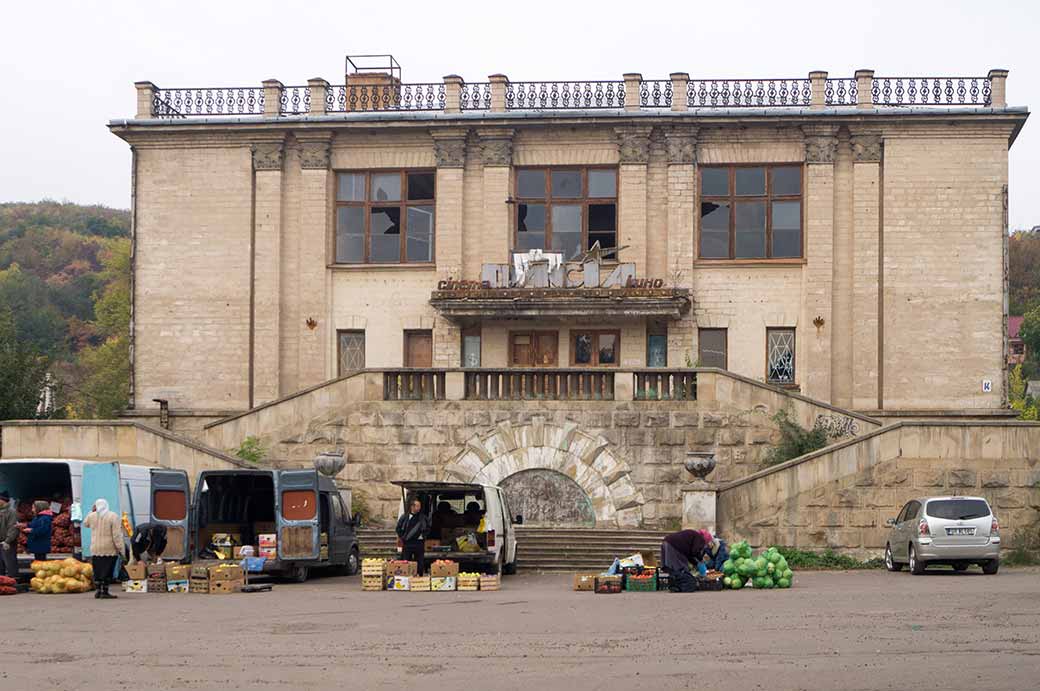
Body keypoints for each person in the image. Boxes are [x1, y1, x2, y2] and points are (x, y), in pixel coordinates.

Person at [81, 499, 126, 599]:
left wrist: (91, 511)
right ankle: (104, 591)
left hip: (95, 548)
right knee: (107, 570)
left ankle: (98, 591)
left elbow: (85, 523)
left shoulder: (92, 516)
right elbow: (116, 535)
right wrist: (121, 549)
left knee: (98, 570)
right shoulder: (113, 516)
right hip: (109, 549)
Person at [396, 497, 429, 576]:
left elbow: (428, 528)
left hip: (419, 543)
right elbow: (398, 528)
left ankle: (419, 577)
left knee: (420, 562)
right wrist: (403, 537)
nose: (419, 508)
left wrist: (423, 536)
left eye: (419, 506)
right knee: (406, 561)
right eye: (417, 506)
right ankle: (405, 577)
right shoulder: (405, 517)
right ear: (412, 507)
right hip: (407, 543)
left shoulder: (423, 517)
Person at [0, 492, 19, 578]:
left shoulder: (11, 512)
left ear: (2, 500)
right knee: (0, 566)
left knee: (10, 564)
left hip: (8, 543)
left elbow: (13, 528)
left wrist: (7, 541)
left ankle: (13, 581)